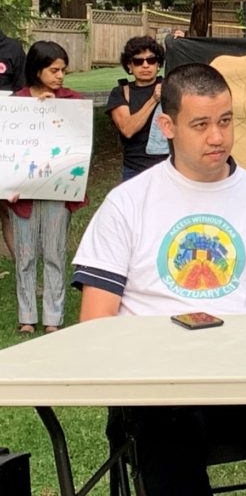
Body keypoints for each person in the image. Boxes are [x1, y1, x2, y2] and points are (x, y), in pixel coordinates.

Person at [71, 63, 246, 496]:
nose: (217, 137)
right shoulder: (128, 202)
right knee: (168, 440)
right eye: (201, 124)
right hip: (162, 387)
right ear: (167, 126)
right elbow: (95, 325)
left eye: (226, 121)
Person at [5, 41, 86, 335]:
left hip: (57, 191)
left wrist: (55, 111)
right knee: (25, 255)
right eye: (54, 70)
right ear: (37, 70)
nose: (60, 76)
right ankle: (26, 316)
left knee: (54, 252)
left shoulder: (72, 101)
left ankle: (54, 317)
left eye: (63, 70)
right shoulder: (17, 103)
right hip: (23, 193)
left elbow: (79, 143)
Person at [106, 36, 168, 180]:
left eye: (151, 60)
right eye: (138, 61)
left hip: (168, 167)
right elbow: (127, 129)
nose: (145, 65)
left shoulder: (172, 86)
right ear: (130, 66)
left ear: (158, 64)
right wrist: (154, 100)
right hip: (134, 170)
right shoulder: (121, 92)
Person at [0, 30, 25, 259]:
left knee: (8, 209)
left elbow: (23, 91)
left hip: (7, 140)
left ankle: (22, 272)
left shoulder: (12, 48)